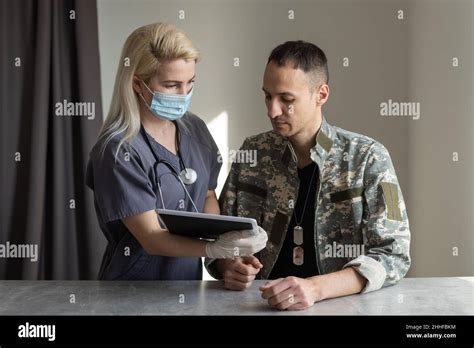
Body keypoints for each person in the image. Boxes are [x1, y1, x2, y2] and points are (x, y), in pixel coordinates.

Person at [206, 40, 411, 310]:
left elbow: (394, 254)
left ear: (321, 94)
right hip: (256, 305)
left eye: (286, 100)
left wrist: (315, 288)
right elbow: (221, 237)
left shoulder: (371, 157)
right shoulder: (253, 152)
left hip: (341, 307)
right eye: (268, 96)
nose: (272, 110)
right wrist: (227, 264)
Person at [86, 23, 267, 280]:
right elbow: (151, 238)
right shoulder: (118, 150)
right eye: (172, 85)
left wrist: (228, 255)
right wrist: (213, 248)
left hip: (187, 287)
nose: (184, 94)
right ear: (138, 84)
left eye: (190, 82)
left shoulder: (195, 129)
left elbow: (206, 197)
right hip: (131, 290)